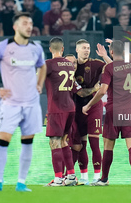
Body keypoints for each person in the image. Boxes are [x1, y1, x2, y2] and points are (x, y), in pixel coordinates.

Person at [0, 12, 46, 192]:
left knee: (27, 141)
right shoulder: (3, 47)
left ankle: (21, 183)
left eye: (30, 23)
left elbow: (42, 65)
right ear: (15, 27)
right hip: (10, 103)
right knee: (4, 140)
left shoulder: (36, 48)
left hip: (31, 103)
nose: (29, 26)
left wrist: (40, 84)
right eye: (25, 23)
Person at [83, 40, 131, 186]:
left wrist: (89, 104)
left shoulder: (108, 68)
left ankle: (104, 179)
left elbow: (102, 90)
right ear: (123, 52)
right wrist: (119, 47)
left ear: (111, 52)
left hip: (113, 111)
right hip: (129, 110)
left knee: (108, 146)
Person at [44, 37, 79, 187]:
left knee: (55, 142)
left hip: (56, 108)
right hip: (70, 108)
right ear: (63, 49)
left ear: (50, 49)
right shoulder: (70, 65)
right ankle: (71, 176)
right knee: (64, 141)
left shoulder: (49, 64)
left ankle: (58, 178)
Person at [74, 39, 105, 185]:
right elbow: (80, 93)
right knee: (81, 144)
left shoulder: (96, 64)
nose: (87, 50)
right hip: (78, 107)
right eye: (84, 48)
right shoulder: (71, 67)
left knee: (94, 143)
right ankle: (84, 177)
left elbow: (113, 67)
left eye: (88, 48)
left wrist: (105, 55)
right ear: (77, 50)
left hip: (94, 107)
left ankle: (97, 177)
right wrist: (94, 88)